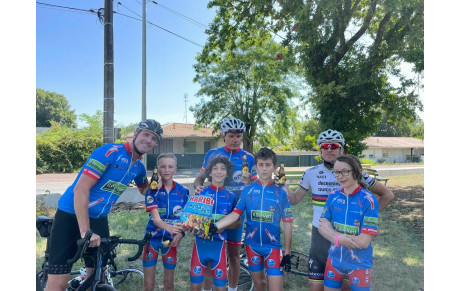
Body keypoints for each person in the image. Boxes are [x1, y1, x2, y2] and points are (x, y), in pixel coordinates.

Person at [45, 119, 162, 291]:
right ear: (136, 133)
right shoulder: (109, 152)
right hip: (71, 215)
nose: (149, 141)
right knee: (58, 283)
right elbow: (81, 189)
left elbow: (144, 190)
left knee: (97, 275)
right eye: (146, 135)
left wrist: (156, 186)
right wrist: (85, 231)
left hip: (99, 218)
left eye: (154, 139)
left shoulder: (139, 167)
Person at [283, 129, 394, 291]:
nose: (329, 149)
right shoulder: (310, 173)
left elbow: (387, 195)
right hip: (319, 234)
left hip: (349, 233)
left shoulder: (356, 173)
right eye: (325, 146)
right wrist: (282, 184)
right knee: (317, 287)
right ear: (320, 150)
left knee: (346, 286)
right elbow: (294, 200)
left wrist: (367, 220)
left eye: (333, 146)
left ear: (341, 149)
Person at [208, 147, 293, 291]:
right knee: (259, 284)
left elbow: (288, 222)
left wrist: (288, 252)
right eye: (261, 165)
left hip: (273, 247)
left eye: (268, 165)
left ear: (275, 167)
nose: (264, 169)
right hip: (252, 246)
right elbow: (235, 214)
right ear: (255, 167)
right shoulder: (247, 190)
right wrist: (216, 226)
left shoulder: (282, 192)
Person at [193, 117, 257, 291]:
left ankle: (232, 289)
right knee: (209, 255)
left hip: (236, 213)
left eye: (239, 136)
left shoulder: (249, 158)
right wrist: (199, 187)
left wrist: (249, 184)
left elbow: (256, 187)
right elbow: (200, 178)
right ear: (223, 136)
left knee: (234, 255)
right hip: (213, 211)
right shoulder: (213, 154)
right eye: (231, 136)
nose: (236, 139)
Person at [318, 154, 379, 291]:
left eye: (345, 171)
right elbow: (321, 226)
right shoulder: (333, 196)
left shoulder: (369, 200)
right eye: (337, 172)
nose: (340, 176)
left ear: (356, 172)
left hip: (359, 262)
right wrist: (337, 238)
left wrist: (331, 233)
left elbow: (363, 242)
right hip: (334, 258)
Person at [189, 156, 241, 291]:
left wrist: (221, 227)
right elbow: (190, 222)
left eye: (223, 169)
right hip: (200, 246)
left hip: (219, 247)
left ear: (227, 173)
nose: (219, 172)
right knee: (195, 287)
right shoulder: (201, 193)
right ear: (209, 173)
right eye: (215, 169)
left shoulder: (231, 197)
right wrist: (192, 227)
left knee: (220, 288)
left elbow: (237, 222)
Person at [142, 153, 189, 291]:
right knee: (148, 285)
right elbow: (156, 219)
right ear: (157, 169)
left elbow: (186, 219)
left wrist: (181, 234)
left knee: (169, 284)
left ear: (175, 169)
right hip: (152, 240)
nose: (167, 170)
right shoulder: (152, 191)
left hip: (170, 241)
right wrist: (172, 228)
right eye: (163, 167)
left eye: (170, 166)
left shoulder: (184, 191)